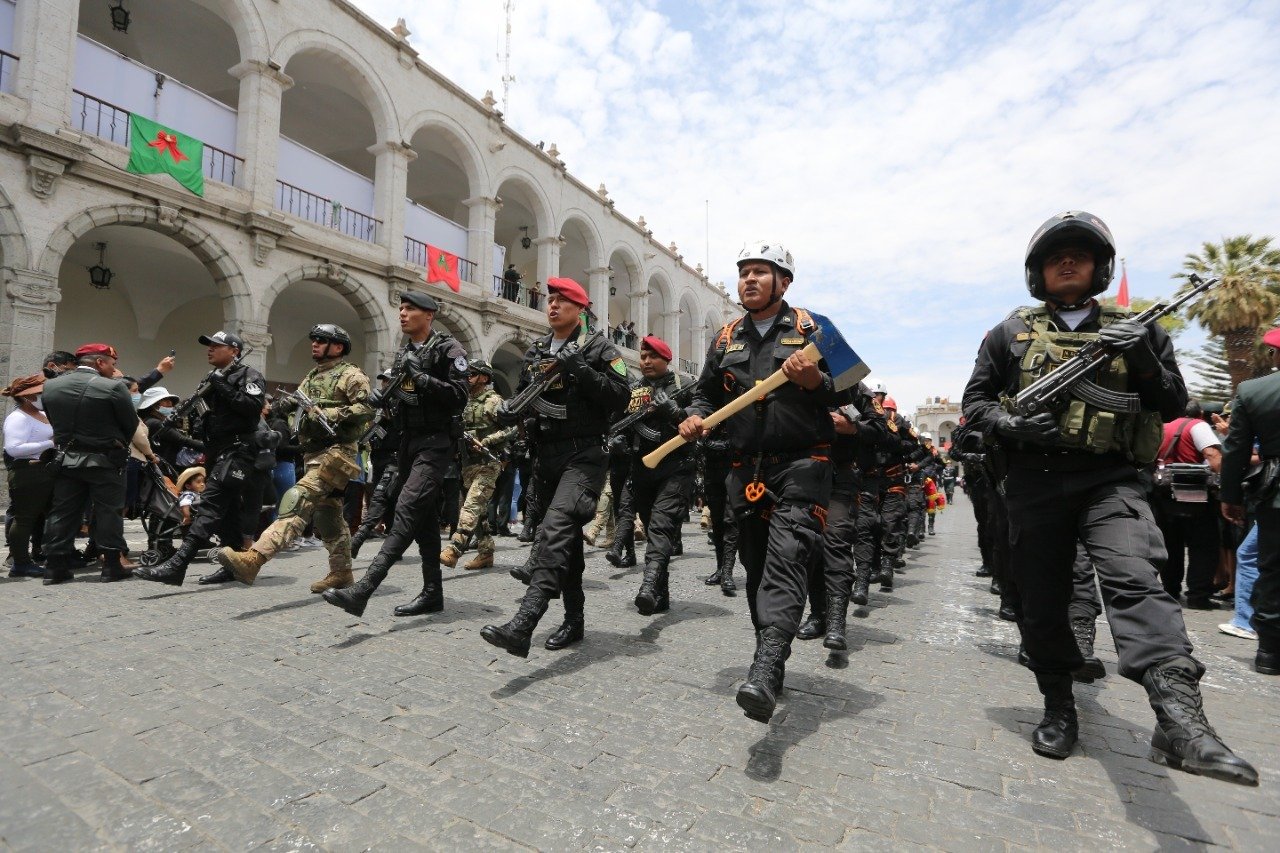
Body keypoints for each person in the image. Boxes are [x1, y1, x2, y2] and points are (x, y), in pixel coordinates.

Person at [962, 210, 1255, 784]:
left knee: (1135, 577)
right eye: (1055, 255)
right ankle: (1058, 703)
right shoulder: (1008, 333)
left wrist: (1143, 354)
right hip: (1033, 482)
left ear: (1101, 268)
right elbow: (975, 403)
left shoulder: (1141, 328)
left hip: (1111, 478)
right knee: (1041, 602)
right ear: (1037, 272)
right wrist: (1009, 424)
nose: (1067, 262)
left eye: (1080, 254)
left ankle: (1181, 720)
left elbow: (1174, 407)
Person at [677, 240, 843, 723]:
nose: (749, 280)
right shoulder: (726, 337)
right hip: (744, 468)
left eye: (760, 272)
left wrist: (817, 383)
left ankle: (767, 666)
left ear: (783, 282)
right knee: (753, 562)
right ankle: (768, 650)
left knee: (787, 559)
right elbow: (704, 396)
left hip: (804, 464)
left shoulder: (816, 328)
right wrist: (693, 417)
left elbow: (853, 385)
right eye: (743, 272)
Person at [480, 277, 629, 656]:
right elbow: (527, 397)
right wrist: (509, 413)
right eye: (550, 300)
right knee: (567, 545)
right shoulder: (537, 350)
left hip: (584, 455)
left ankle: (523, 623)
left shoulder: (598, 348)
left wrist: (579, 367)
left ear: (580, 309)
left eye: (563, 301)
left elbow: (621, 397)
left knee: (555, 531)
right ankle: (574, 621)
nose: (552, 306)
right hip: (546, 456)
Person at [322, 292, 469, 618]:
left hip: (436, 443)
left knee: (406, 509)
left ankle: (364, 589)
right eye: (401, 308)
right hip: (407, 443)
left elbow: (460, 396)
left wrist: (422, 378)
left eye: (410, 308)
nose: (402, 313)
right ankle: (433, 593)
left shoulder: (449, 350)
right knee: (426, 521)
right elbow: (405, 398)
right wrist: (386, 400)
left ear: (429, 314)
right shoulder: (405, 352)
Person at [209, 324, 372, 591]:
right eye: (314, 340)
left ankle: (254, 558)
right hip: (312, 453)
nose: (314, 344)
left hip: (337, 452)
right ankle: (341, 573)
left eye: (321, 340)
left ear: (338, 347)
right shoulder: (312, 376)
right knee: (328, 517)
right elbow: (298, 403)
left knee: (296, 501)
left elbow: (366, 409)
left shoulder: (352, 375)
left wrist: (330, 414)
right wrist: (283, 407)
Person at [135, 331, 267, 585]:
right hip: (216, 451)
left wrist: (222, 385)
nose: (210, 349)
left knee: (210, 505)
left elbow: (252, 409)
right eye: (209, 345)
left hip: (238, 450)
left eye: (217, 346)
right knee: (227, 512)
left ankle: (178, 565)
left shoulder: (249, 375)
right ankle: (233, 565)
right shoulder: (213, 376)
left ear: (234, 351)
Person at [39, 343, 139, 584]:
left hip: (66, 459)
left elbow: (53, 421)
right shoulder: (114, 387)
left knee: (62, 512)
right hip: (104, 460)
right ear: (100, 362)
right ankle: (112, 565)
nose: (114, 369)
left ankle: (54, 567)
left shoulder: (50, 386)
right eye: (112, 364)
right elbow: (130, 425)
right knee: (108, 512)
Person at [612, 335, 694, 616]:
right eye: (643, 357)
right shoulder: (635, 389)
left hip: (675, 467)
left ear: (666, 359)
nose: (646, 362)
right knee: (651, 528)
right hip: (641, 467)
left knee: (660, 528)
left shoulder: (684, 387)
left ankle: (647, 587)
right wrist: (620, 440)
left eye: (652, 357)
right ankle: (661, 594)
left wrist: (674, 411)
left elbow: (699, 426)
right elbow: (620, 421)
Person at [1219, 325, 1280, 676]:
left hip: (1275, 497)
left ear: (1274, 355)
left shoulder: (1253, 391)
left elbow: (1236, 449)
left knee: (1272, 568)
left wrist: (1230, 496)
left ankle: (1270, 651)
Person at [440, 359, 514, 571]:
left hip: (488, 463)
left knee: (471, 506)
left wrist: (487, 441)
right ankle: (486, 553)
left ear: (484, 377)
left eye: (471, 374)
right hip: (467, 464)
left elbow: (511, 429)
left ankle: (455, 548)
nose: (467, 378)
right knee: (479, 512)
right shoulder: (463, 401)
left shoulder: (492, 401)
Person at [1154, 400, 1224, 608]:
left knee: (1171, 544)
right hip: (1195, 498)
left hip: (1164, 494)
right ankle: (1198, 595)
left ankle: (1170, 589)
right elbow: (1213, 458)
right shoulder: (1197, 425)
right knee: (1203, 546)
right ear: (1200, 414)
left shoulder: (1162, 426)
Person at [3, 375, 57, 577]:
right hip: (28, 471)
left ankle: (49, 554)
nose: (43, 396)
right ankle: (20, 562)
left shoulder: (40, 413)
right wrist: (50, 443)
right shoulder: (18, 418)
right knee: (24, 519)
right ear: (27, 397)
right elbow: (14, 448)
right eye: (39, 393)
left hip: (44, 470)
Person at [137, 387, 204, 468]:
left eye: (170, 400)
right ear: (154, 405)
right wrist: (208, 448)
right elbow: (182, 440)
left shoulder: (153, 421)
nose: (170, 403)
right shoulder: (155, 423)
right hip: (169, 467)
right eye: (165, 400)